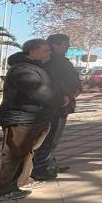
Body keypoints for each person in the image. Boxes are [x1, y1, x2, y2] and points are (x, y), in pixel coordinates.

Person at [0, 40, 56, 201]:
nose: (48, 53)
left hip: (31, 118)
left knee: (23, 154)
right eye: (45, 50)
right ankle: (4, 190)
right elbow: (36, 91)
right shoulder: (23, 69)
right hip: (20, 119)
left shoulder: (34, 67)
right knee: (13, 155)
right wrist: (56, 101)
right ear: (32, 52)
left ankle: (15, 185)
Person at [30, 34, 78, 181]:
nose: (68, 46)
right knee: (49, 137)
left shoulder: (59, 60)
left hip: (62, 103)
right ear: (54, 45)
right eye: (65, 44)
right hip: (55, 104)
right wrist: (66, 94)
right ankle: (40, 168)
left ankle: (48, 163)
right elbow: (54, 82)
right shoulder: (50, 62)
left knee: (54, 136)